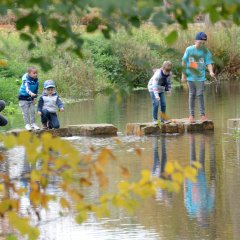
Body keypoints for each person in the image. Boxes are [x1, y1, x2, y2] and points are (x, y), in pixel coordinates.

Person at [181, 31, 215, 123]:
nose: (201, 44)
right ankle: (191, 116)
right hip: (190, 77)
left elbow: (209, 62)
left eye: (203, 43)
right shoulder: (189, 50)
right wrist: (183, 75)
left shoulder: (205, 51)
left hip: (200, 77)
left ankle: (202, 115)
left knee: (200, 95)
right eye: (200, 42)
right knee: (192, 95)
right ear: (195, 41)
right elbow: (184, 62)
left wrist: (211, 72)